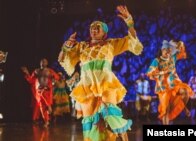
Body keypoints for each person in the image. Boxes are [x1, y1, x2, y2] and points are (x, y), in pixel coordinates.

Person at [58, 5, 143, 141]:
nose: (94, 29)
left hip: (106, 84)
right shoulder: (82, 46)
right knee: (92, 122)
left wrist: (130, 22)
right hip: (87, 87)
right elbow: (64, 59)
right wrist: (67, 46)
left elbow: (131, 41)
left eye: (98, 27)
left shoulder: (110, 44)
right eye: (92, 27)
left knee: (111, 114)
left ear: (104, 32)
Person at [146, 40, 193, 125]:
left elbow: (182, 51)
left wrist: (180, 43)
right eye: (165, 50)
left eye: (169, 50)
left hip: (174, 84)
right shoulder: (157, 61)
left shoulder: (173, 58)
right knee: (166, 110)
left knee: (185, 92)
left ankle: (180, 107)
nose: (167, 52)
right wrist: (163, 72)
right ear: (162, 50)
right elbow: (150, 73)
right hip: (163, 87)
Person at [21, 58, 59, 127]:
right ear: (40, 63)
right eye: (42, 61)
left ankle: (49, 107)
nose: (43, 62)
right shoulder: (37, 71)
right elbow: (31, 80)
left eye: (44, 61)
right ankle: (46, 121)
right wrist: (27, 73)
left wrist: (54, 81)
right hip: (39, 91)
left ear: (47, 63)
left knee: (47, 105)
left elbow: (56, 77)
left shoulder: (50, 71)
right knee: (42, 107)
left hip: (47, 90)